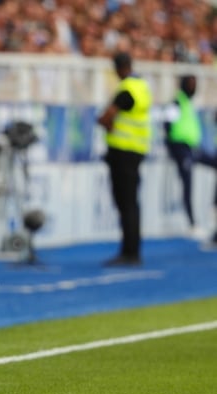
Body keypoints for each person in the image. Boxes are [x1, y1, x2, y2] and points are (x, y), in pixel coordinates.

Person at [97, 52, 152, 267]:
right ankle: (133, 250)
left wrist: (104, 121)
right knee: (132, 204)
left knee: (125, 204)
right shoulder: (142, 86)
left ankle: (129, 252)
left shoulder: (126, 89)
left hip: (123, 152)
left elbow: (108, 116)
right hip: (137, 149)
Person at [163, 74, 202, 236]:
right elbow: (167, 124)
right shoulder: (177, 102)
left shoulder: (187, 103)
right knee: (187, 183)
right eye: (190, 84)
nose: (193, 88)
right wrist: (172, 147)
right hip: (180, 148)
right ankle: (191, 223)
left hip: (191, 147)